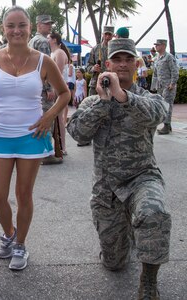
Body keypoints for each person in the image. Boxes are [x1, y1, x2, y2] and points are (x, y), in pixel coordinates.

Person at [67, 38, 171, 299]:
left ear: (137, 64)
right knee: (114, 263)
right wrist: (104, 103)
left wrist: (123, 97)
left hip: (142, 178)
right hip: (107, 189)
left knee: (153, 212)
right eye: (117, 60)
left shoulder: (149, 98)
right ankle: (127, 233)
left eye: (128, 59)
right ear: (107, 65)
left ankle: (148, 281)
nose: (123, 64)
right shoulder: (93, 101)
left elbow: (157, 115)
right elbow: (78, 133)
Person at [0, 6, 70, 271]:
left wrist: (49, 116)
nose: (16, 30)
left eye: (21, 25)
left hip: (32, 136)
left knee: (23, 195)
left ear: (30, 28)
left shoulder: (44, 60)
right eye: (10, 26)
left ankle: (20, 244)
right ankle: (9, 233)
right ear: (3, 29)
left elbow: (64, 94)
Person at [28, 14, 63, 164]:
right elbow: (46, 67)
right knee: (47, 118)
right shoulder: (42, 42)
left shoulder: (31, 41)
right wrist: (49, 87)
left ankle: (36, 150)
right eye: (46, 24)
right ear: (39, 25)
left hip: (32, 86)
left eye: (50, 24)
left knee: (36, 118)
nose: (49, 26)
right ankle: (46, 154)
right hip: (42, 87)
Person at [48, 31, 72, 154]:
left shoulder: (60, 53)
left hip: (59, 88)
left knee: (58, 119)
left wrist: (52, 88)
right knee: (55, 118)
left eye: (49, 38)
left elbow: (57, 73)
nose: (47, 40)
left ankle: (62, 146)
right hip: (56, 88)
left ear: (54, 40)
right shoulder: (54, 53)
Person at [151, 39, 179, 135]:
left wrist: (172, 83)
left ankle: (166, 126)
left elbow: (174, 71)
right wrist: (153, 86)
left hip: (168, 86)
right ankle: (167, 125)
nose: (156, 47)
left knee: (167, 105)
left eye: (158, 45)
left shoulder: (169, 57)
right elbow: (155, 73)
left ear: (163, 46)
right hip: (160, 87)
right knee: (162, 105)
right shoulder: (158, 58)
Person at [86, 25, 115, 96]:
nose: (107, 37)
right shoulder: (95, 49)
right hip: (96, 84)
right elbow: (88, 66)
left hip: (111, 84)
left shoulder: (115, 50)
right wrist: (93, 68)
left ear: (112, 36)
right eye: (106, 34)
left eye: (109, 34)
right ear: (103, 34)